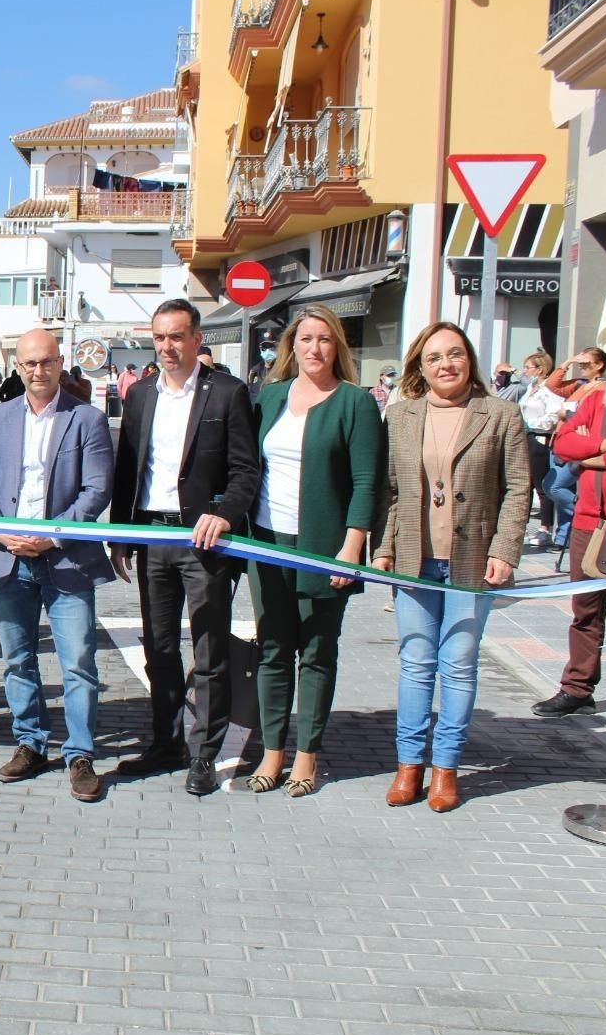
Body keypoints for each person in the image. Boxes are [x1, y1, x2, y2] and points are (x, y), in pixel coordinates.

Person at [373, 321, 527, 811]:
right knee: (416, 663)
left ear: (470, 360)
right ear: (421, 365)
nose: (447, 365)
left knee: (458, 665)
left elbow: (518, 489)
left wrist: (504, 551)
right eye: (435, 357)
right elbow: (391, 490)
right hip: (415, 560)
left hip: (472, 560)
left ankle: (446, 769)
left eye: (455, 354)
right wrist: (384, 547)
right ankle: (408, 766)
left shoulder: (501, 415)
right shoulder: (399, 417)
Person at [109, 298, 259, 796]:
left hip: (203, 540)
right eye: (159, 337)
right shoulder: (141, 395)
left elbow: (245, 470)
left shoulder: (228, 394)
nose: (167, 347)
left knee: (210, 648)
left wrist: (224, 514)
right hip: (151, 537)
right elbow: (127, 469)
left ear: (197, 340)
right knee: (158, 647)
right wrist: (120, 534)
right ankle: (165, 742)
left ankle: (204, 754)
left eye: (176, 337)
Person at [0, 329, 115, 802]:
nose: (37, 371)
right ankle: (29, 743)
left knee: (77, 662)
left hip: (66, 558)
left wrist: (49, 534)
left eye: (46, 362)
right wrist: (0, 531)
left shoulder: (86, 418)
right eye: (28, 363)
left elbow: (96, 489)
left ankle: (79, 754)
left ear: (60, 362)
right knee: (17, 660)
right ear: (17, 365)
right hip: (8, 556)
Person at [244, 305, 382, 798]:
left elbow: (368, 482)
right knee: (274, 648)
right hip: (267, 540)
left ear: (336, 346)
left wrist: (351, 549)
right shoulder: (271, 396)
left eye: (324, 339)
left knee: (318, 651)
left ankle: (307, 756)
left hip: (325, 545)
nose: (314, 348)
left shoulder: (355, 403)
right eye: (305, 339)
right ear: (292, 346)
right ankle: (272, 752)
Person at [533, 335, 606, 726]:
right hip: (588, 522)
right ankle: (577, 688)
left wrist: (592, 456)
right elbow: (563, 444)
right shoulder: (595, 400)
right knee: (583, 612)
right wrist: (605, 446)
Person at [542, 347, 606, 554]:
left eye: (586, 364)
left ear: (599, 365)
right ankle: (563, 538)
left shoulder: (602, 389)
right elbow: (552, 385)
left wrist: (566, 413)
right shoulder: (581, 384)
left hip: (579, 445)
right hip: (560, 442)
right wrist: (568, 362)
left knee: (552, 486)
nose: (582, 367)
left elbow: (587, 415)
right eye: (580, 363)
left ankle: (589, 517)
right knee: (559, 489)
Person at [515, 351, 563, 549]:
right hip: (525, 436)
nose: (525, 371)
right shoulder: (531, 389)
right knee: (524, 483)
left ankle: (546, 528)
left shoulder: (549, 390)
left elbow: (554, 416)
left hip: (539, 437)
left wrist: (531, 423)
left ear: (540, 369)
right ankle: (521, 526)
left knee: (541, 485)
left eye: (528, 367)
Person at [247, 336, 276, 404]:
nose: (268, 351)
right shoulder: (254, 371)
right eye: (264, 348)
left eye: (271, 347)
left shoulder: (283, 371)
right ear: (260, 349)